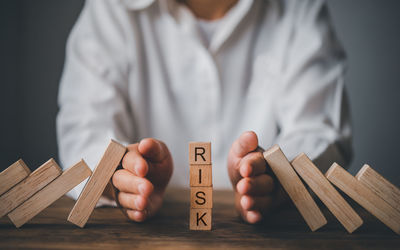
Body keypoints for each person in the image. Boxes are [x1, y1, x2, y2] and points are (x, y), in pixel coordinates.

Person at [57, 0, 352, 224]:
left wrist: (276, 178)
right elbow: (84, 131)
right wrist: (122, 176)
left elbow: (319, 131)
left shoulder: (300, 8)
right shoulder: (109, 9)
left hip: (266, 226)